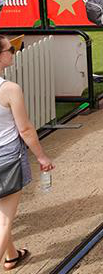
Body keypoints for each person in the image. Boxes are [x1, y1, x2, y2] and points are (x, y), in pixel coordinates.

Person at [0, 35, 55, 270]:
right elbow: (25, 128)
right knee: (4, 218)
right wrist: (41, 157)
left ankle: (11, 255)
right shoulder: (10, 89)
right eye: (9, 49)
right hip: (7, 155)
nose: (13, 52)